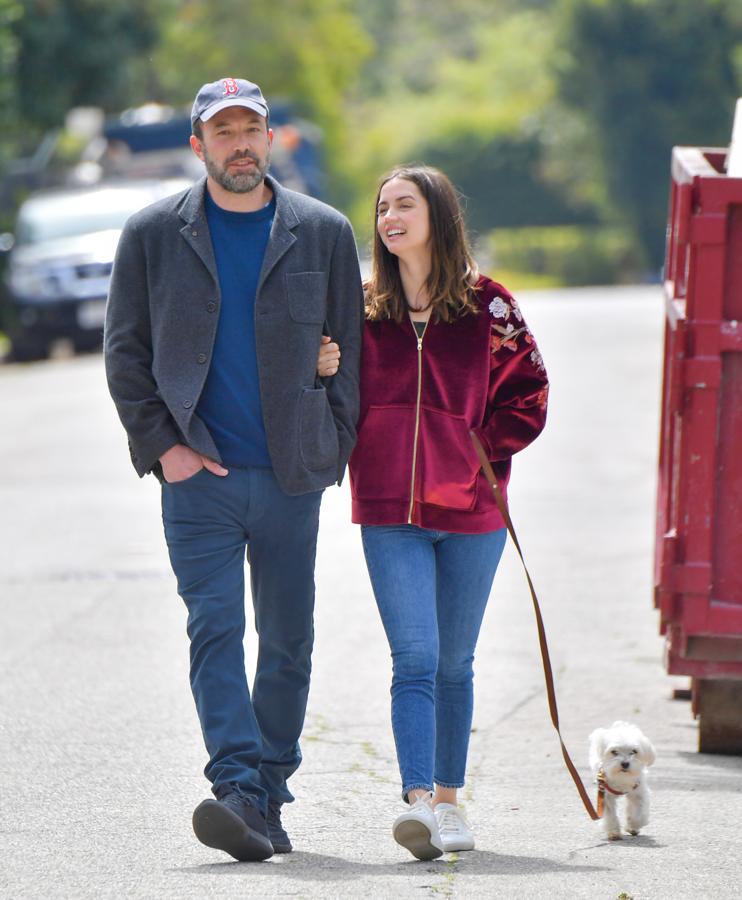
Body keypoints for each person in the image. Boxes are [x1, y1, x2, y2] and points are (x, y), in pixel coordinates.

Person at [105, 77, 364, 862]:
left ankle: (267, 790)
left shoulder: (322, 231)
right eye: (224, 132)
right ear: (198, 146)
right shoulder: (152, 234)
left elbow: (351, 355)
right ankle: (236, 786)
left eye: (252, 128)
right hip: (199, 478)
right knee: (214, 629)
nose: (240, 143)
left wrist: (333, 441)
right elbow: (126, 353)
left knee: (288, 640)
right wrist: (167, 450)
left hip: (291, 475)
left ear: (272, 137)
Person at [317, 164, 548, 860]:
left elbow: (531, 394)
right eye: (382, 207)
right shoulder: (360, 311)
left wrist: (477, 451)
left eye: (404, 205)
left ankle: (450, 804)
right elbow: (328, 393)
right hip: (389, 510)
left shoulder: (489, 306)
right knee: (413, 657)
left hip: (473, 511)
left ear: (437, 215)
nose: (389, 218)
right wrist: (324, 369)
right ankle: (418, 802)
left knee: (454, 662)